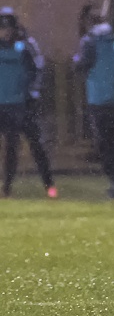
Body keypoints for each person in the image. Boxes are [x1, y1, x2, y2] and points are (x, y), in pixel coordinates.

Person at [74, 13, 114, 199]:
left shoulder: (89, 42)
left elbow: (81, 65)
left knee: (103, 144)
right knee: (112, 141)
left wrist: (78, 63)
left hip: (98, 98)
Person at [6, 13, 57, 198]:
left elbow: (37, 69)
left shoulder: (26, 45)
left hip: (24, 103)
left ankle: (49, 185)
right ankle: (7, 187)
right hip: (7, 102)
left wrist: (31, 92)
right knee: (12, 146)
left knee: (35, 145)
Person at [0, 8, 39, 197]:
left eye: (9, 28)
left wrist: (23, 88)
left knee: (11, 147)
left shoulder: (23, 49)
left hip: (15, 104)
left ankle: (7, 185)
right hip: (6, 103)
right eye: (3, 28)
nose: (6, 32)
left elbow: (33, 71)